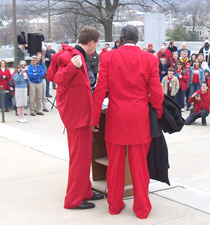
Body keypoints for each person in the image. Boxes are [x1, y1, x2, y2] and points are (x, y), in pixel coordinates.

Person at [90, 25, 164, 219]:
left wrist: (94, 118)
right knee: (140, 167)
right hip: (140, 120)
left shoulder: (107, 57)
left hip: (116, 119)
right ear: (137, 40)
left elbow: (100, 91)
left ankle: (114, 205)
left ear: (120, 39)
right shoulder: (150, 59)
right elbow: (156, 91)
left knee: (114, 166)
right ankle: (141, 209)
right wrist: (158, 111)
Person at [48, 26, 103, 210]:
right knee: (79, 160)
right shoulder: (70, 57)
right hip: (76, 118)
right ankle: (72, 200)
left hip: (80, 117)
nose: (96, 48)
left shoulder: (76, 55)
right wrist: (73, 66)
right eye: (96, 44)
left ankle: (85, 191)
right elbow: (58, 79)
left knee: (83, 157)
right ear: (91, 42)